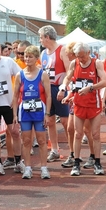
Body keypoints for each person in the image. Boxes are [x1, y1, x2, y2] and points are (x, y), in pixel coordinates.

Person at [61, 42, 106, 176]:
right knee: (77, 134)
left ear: (88, 53)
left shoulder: (96, 63)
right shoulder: (74, 63)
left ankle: (97, 162)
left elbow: (105, 82)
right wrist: (64, 88)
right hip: (79, 104)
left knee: (95, 134)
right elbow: (68, 78)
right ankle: (76, 163)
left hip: (94, 104)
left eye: (82, 56)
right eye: (78, 56)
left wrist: (91, 88)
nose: (80, 59)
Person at [12, 45, 51, 179]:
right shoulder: (20, 74)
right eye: (26, 56)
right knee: (26, 140)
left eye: (30, 56)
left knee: (41, 140)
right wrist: (15, 115)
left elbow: (49, 95)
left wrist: (48, 114)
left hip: (39, 111)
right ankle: (27, 168)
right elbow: (16, 96)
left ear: (36, 59)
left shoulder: (42, 74)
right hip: (25, 112)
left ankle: (44, 168)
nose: (27, 59)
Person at [0, 40, 23, 175]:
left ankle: (18, 161)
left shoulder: (8, 61)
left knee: (15, 132)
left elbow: (21, 77)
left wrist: (17, 95)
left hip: (9, 104)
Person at [39, 25, 71, 163]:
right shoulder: (43, 53)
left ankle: (73, 152)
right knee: (50, 121)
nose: (40, 40)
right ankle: (55, 150)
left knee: (65, 121)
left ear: (47, 37)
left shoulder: (62, 50)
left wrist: (63, 88)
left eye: (41, 37)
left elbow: (70, 71)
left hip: (60, 88)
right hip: (48, 90)